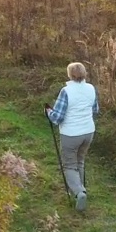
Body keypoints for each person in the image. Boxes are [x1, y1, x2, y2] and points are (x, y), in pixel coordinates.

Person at [47, 61, 99, 212]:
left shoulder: (66, 91)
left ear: (70, 74)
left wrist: (48, 112)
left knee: (69, 164)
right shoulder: (91, 88)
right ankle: (80, 189)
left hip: (71, 134)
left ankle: (79, 192)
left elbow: (57, 118)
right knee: (80, 161)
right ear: (84, 74)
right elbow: (95, 109)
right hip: (88, 132)